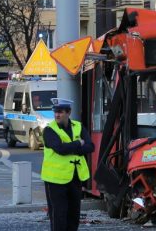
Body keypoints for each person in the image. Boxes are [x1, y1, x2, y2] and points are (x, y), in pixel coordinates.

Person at [41, 98, 95, 231]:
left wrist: (71, 147)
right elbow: (60, 149)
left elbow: (90, 147)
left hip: (75, 177)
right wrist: (78, 143)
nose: (57, 115)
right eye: (55, 112)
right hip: (55, 179)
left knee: (73, 214)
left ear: (68, 112)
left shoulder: (78, 126)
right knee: (58, 214)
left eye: (60, 112)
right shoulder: (49, 130)